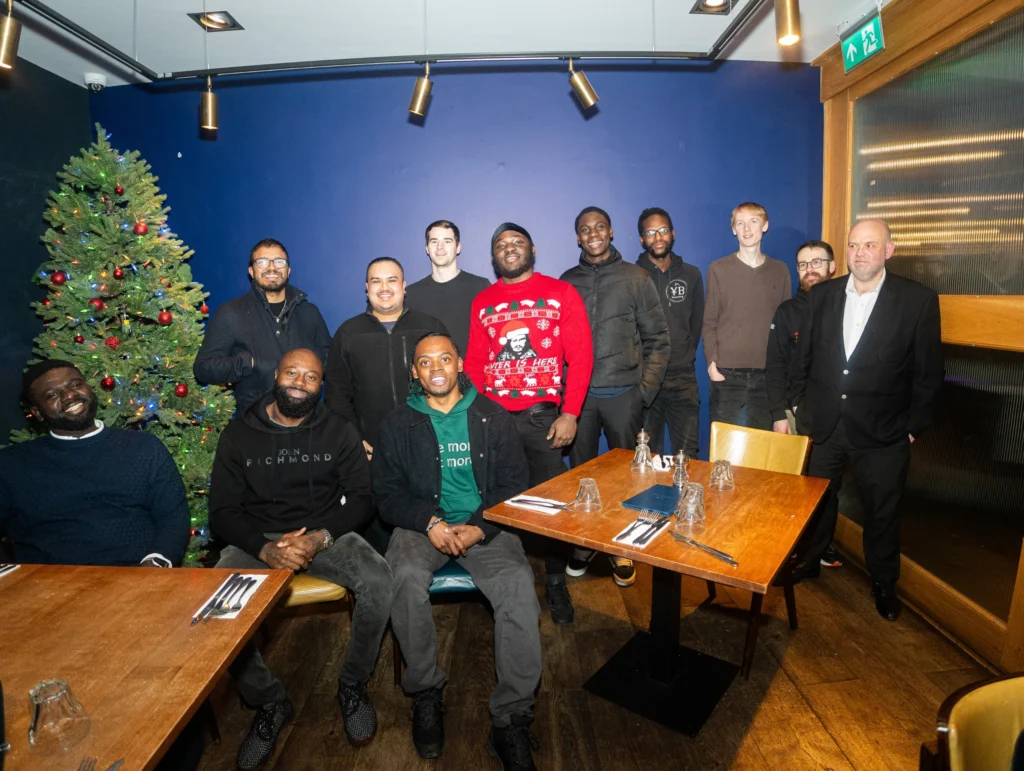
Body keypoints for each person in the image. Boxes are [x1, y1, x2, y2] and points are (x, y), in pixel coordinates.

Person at [0, 359, 202, 771]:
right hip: (49, 603)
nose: (69, 396)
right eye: (53, 395)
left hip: (138, 586)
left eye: (75, 385)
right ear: (35, 413)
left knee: (159, 697)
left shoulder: (142, 448)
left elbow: (172, 515)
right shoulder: (13, 466)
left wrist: (155, 566)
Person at [209, 349, 393, 768]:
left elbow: (363, 497)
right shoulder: (239, 434)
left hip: (323, 532)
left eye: (310, 377)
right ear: (276, 375)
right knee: (219, 606)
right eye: (292, 372)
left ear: (320, 386)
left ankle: (352, 684)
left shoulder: (338, 429)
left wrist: (318, 538)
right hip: (255, 538)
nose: (299, 382)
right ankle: (269, 702)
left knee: (379, 579)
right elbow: (222, 511)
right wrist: (264, 548)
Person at [373, 332, 541, 769]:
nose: (436, 369)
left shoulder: (491, 415)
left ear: (460, 363)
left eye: (444, 359)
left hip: (483, 523)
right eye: (425, 363)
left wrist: (479, 527)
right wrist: (430, 523)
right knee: (404, 577)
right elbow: (386, 495)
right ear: (415, 371)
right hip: (420, 525)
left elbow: (513, 486)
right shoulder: (396, 424)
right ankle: (426, 691)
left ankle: (512, 719)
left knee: (519, 584)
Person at [789, 219, 943, 621]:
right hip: (824, 426)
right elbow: (802, 361)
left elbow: (928, 373)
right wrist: (801, 409)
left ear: (889, 250)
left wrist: (912, 428)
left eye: (870, 245)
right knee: (817, 503)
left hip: (885, 432)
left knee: (882, 513)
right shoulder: (821, 296)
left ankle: (883, 582)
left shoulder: (918, 300)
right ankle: (807, 563)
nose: (860, 253)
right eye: (854, 245)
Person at [464, 223, 593, 626]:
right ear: (493, 256)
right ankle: (505, 581)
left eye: (517, 242)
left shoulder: (560, 293)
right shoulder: (483, 301)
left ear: (532, 249)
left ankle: (555, 580)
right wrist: (475, 412)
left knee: (549, 507)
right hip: (495, 419)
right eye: (501, 244)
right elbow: (474, 362)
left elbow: (582, 355)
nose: (509, 248)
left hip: (543, 419)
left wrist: (570, 412)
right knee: (496, 502)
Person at [561, 206, 670, 588]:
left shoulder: (636, 278)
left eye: (600, 227)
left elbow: (659, 339)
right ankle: (584, 545)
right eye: (585, 229)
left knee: (628, 478)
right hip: (579, 400)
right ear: (578, 237)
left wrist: (643, 393)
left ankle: (622, 548)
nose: (593, 233)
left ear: (611, 232)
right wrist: (564, 392)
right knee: (582, 477)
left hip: (625, 394)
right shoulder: (566, 281)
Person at [764, 239, 843, 569]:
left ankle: (819, 547)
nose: (810, 269)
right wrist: (778, 413)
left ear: (832, 266)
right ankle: (791, 547)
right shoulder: (787, 313)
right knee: (795, 486)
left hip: (840, 416)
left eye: (817, 262)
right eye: (803, 264)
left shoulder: (851, 307)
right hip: (795, 414)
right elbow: (775, 365)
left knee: (826, 488)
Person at [194, 238, 332, 415]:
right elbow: (203, 369)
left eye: (279, 262)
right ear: (251, 271)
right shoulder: (230, 313)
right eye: (262, 262)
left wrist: (309, 366)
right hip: (256, 421)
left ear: (288, 271)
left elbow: (330, 359)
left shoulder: (309, 311)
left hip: (306, 419)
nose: (272, 268)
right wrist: (248, 363)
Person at [702, 203, 791, 430]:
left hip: (766, 376)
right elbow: (710, 321)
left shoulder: (780, 270)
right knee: (724, 454)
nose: (747, 229)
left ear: (765, 226)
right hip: (727, 374)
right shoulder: (718, 269)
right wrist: (712, 364)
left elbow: (785, 328)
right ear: (733, 229)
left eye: (753, 221)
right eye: (740, 223)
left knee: (758, 455)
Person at [636, 207, 705, 458]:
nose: (658, 237)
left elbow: (696, 324)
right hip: (645, 379)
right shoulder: (633, 276)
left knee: (687, 455)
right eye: (651, 232)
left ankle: (684, 498)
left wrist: (683, 355)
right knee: (647, 457)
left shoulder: (692, 274)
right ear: (642, 239)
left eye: (663, 230)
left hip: (683, 379)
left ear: (673, 234)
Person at [405, 220, 492, 354]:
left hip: (473, 373)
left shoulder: (480, 287)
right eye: (434, 241)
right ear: (427, 248)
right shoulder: (411, 294)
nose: (440, 247)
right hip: (429, 373)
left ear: (458, 247)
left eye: (447, 241)